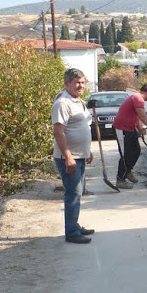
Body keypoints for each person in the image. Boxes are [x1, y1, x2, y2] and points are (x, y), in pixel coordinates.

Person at [52, 68, 95, 244]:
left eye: (83, 82)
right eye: (77, 82)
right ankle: (71, 232)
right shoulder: (62, 103)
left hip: (80, 155)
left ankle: (74, 226)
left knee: (77, 194)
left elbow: (81, 127)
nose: (80, 86)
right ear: (67, 83)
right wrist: (68, 156)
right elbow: (59, 132)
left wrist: (87, 150)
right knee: (73, 194)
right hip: (69, 158)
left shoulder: (78, 101)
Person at [113, 83, 147, 189]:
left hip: (130, 129)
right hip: (121, 129)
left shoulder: (137, 98)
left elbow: (137, 116)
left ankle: (128, 171)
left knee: (136, 151)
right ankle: (120, 180)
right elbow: (144, 117)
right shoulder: (138, 98)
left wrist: (140, 128)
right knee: (125, 154)